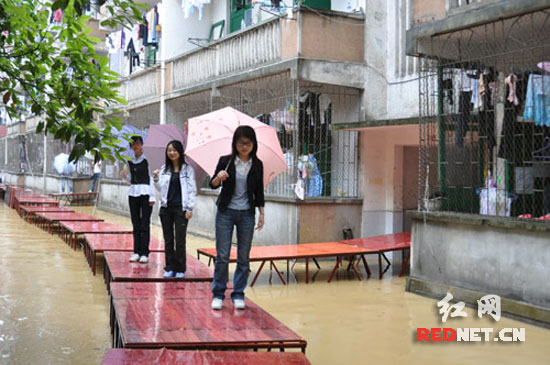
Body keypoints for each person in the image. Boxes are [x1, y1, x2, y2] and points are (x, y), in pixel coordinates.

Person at [209, 126, 265, 310]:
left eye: (248, 143)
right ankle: (218, 293)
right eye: (240, 143)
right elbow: (212, 184)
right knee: (223, 255)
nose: (244, 146)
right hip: (226, 212)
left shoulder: (257, 164)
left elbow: (259, 192)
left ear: (253, 144)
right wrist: (219, 177)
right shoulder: (225, 161)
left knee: (243, 257)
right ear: (235, 143)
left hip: (247, 213)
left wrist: (261, 213)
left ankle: (238, 293)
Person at [152, 140, 197, 279]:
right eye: (169, 150)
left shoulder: (187, 169)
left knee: (180, 239)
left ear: (180, 152)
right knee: (168, 240)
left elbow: (192, 190)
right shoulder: (164, 169)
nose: (172, 153)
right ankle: (169, 267)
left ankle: (180, 269)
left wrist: (189, 208)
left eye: (174, 150)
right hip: (166, 208)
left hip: (181, 209)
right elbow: (159, 189)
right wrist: (155, 179)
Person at [120, 136, 155, 263]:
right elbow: (131, 181)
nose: (135, 146)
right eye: (133, 144)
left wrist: (152, 196)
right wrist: (124, 177)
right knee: (136, 223)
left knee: (145, 223)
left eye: (137, 143)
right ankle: (136, 252)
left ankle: (144, 252)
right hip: (133, 194)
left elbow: (151, 178)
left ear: (142, 144)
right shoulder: (129, 161)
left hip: (146, 193)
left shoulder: (147, 160)